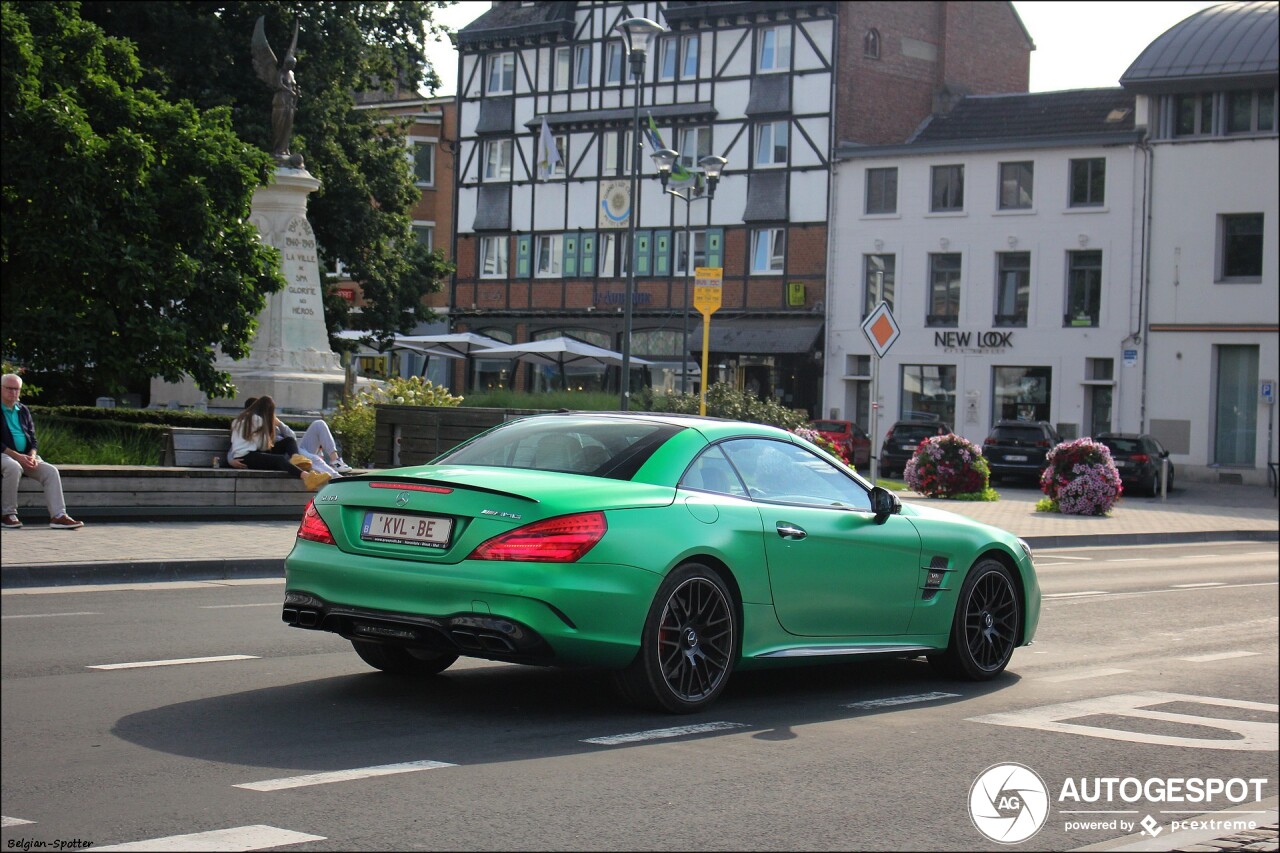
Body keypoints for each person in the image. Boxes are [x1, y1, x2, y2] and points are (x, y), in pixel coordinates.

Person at [1, 373, 83, 529]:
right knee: (13, 466)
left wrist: (31, 455)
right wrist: (17, 456)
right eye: (9, 388)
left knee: (50, 471)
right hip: (5, 455)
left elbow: (33, 438)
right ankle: (7, 514)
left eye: (16, 389)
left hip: (24, 456)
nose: (13, 393)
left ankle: (58, 516)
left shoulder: (23, 410)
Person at [228, 396, 330, 491]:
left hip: (245, 455)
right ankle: (308, 478)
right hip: (247, 457)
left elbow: (237, 444)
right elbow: (262, 446)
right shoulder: (258, 420)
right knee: (280, 458)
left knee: (288, 441)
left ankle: (296, 458)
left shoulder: (238, 420)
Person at [227, 398, 352, 475]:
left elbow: (291, 436)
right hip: (286, 456)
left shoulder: (271, 423)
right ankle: (335, 477)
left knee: (319, 424)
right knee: (312, 458)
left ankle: (335, 461)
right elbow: (235, 449)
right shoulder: (250, 426)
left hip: (295, 451)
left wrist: (279, 424)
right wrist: (231, 461)